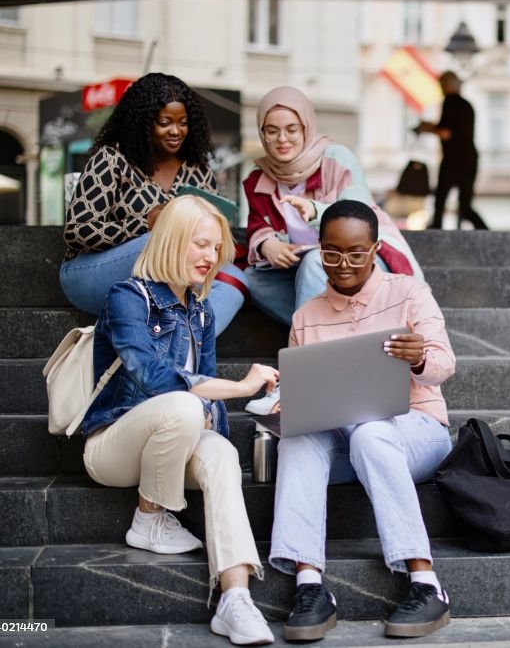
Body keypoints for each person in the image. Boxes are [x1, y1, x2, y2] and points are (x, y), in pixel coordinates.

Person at [80, 196, 276, 645]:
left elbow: (203, 387)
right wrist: (241, 388)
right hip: (113, 446)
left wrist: (225, 412)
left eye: (216, 249)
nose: (211, 258)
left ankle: (235, 598)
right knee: (184, 403)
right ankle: (150, 517)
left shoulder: (202, 312)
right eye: (200, 245)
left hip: (173, 441)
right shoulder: (128, 297)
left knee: (223, 453)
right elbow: (151, 376)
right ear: (170, 241)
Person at [269, 200, 454, 641]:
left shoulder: (409, 292)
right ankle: (310, 586)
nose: (343, 265)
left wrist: (419, 357)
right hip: (346, 443)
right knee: (297, 440)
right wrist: (286, 402)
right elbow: (308, 395)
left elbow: (444, 365)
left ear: (375, 249)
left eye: (355, 253)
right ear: (320, 248)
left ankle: (425, 582)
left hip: (417, 432)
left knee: (371, 431)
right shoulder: (305, 316)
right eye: (331, 253)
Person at [61, 72, 248, 333]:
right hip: (91, 274)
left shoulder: (198, 169)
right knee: (164, 241)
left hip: (172, 276)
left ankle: (182, 345)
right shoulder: (112, 158)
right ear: (143, 122)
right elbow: (77, 231)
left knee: (235, 279)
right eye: (164, 122)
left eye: (183, 123)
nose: (176, 131)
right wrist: (146, 223)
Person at [242, 86, 424, 327]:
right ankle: (345, 326)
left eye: (292, 130)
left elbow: (359, 217)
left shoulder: (336, 158)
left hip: (359, 259)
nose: (282, 139)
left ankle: (312, 345)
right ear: (262, 133)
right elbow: (257, 222)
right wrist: (267, 245)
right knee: (251, 279)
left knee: (315, 261)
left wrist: (316, 211)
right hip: (302, 271)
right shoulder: (259, 177)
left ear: (306, 127)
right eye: (272, 131)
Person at [414, 71, 488, 230]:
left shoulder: (450, 102)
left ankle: (436, 234)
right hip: (469, 158)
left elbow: (446, 132)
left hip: (454, 159)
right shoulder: (467, 105)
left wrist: (427, 128)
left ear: (445, 86)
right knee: (465, 205)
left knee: (440, 201)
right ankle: (488, 234)